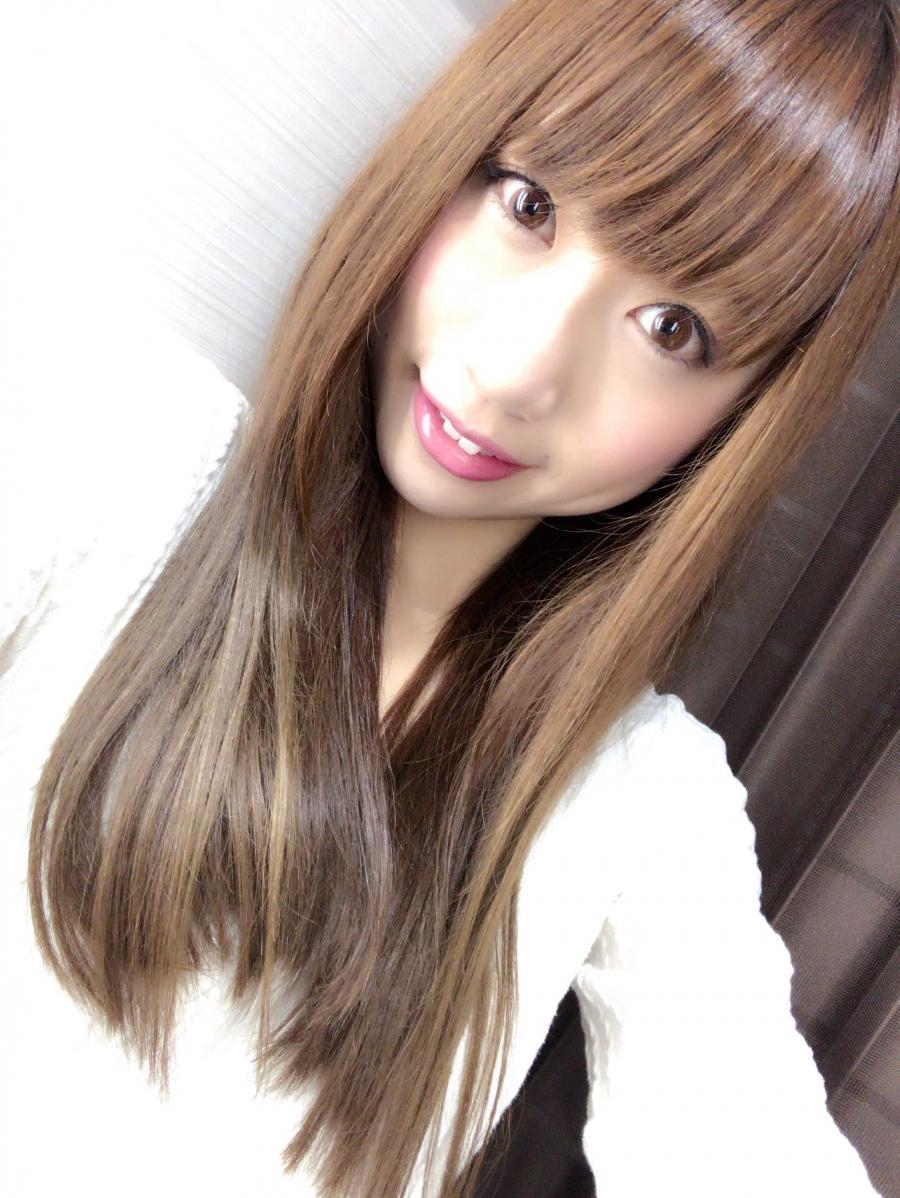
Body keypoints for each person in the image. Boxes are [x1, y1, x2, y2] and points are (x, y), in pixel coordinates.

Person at [2, 0, 897, 1195]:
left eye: (671, 328)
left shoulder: (641, 799)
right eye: (528, 205)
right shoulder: (114, 450)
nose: (519, 368)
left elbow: (744, 1140)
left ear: (737, 422)